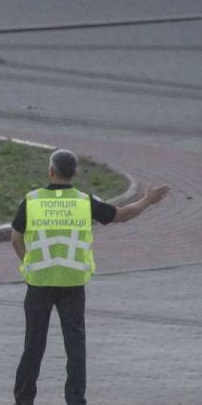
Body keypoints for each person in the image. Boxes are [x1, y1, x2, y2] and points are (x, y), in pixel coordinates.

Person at [11, 149, 169, 405]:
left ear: (50, 171)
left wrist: (30, 265)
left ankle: (24, 400)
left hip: (39, 284)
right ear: (75, 173)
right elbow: (122, 214)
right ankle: (75, 400)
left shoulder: (32, 200)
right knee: (75, 347)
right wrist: (147, 200)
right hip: (73, 284)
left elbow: (16, 238)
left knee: (33, 346)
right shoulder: (84, 202)